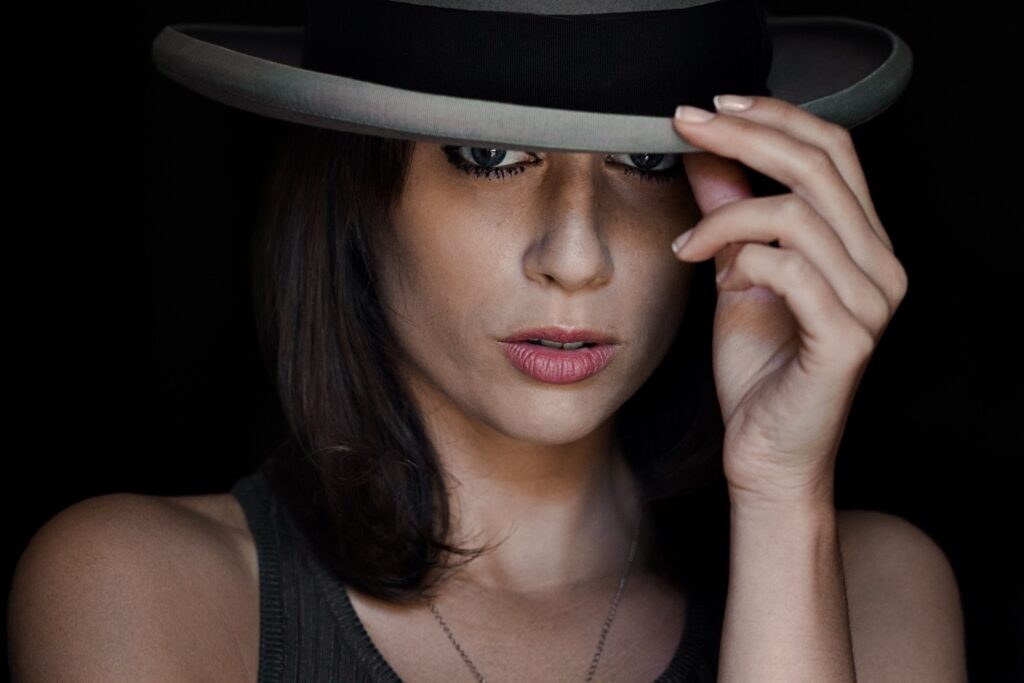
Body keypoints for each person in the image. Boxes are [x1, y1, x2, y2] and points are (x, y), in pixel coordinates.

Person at [8, 1, 967, 681]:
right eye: (489, 155)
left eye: (646, 159)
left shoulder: (877, 593)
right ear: (358, 184)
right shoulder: (139, 587)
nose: (576, 256)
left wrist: (779, 495)